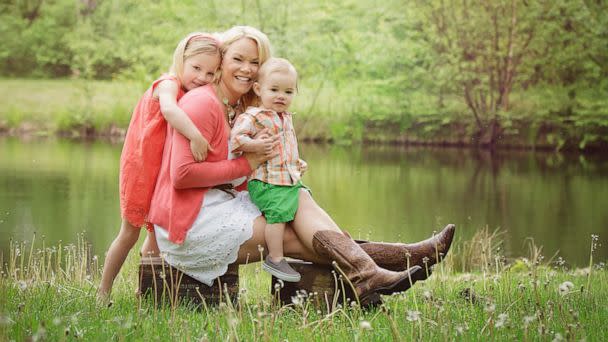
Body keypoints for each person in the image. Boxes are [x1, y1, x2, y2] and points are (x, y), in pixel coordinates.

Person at [148, 25, 455, 306]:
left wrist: (278, 165)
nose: (247, 69)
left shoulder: (236, 108)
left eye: (255, 62)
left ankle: (373, 271)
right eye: (238, 59)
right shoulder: (201, 103)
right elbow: (182, 176)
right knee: (292, 233)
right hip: (190, 224)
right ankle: (397, 260)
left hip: (214, 206)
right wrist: (247, 163)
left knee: (296, 196)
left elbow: (230, 175)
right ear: (222, 59)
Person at [98, 32, 222, 299]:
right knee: (129, 233)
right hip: (142, 169)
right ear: (181, 60)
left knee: (156, 236)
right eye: (196, 68)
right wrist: (196, 136)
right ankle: (103, 292)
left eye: (210, 73)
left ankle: (144, 293)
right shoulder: (168, 84)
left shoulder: (194, 93)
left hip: (162, 174)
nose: (201, 77)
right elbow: (168, 110)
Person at [230, 58, 306, 282]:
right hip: (265, 181)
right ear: (258, 89)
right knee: (278, 216)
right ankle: (275, 257)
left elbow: (284, 149)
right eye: (274, 90)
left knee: (298, 209)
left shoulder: (286, 118)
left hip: (284, 178)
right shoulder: (254, 117)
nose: (281, 96)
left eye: (288, 91)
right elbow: (236, 140)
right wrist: (254, 145)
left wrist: (297, 163)